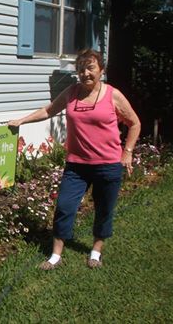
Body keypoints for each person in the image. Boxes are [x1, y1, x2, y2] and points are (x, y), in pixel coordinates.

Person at [8, 49, 141, 270]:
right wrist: (21, 120)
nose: (85, 73)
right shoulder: (71, 92)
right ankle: (55, 256)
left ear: (101, 70)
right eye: (81, 68)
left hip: (107, 165)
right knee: (64, 206)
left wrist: (127, 151)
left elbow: (134, 122)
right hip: (77, 165)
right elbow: (49, 110)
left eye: (90, 68)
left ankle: (96, 251)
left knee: (104, 209)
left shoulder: (112, 95)